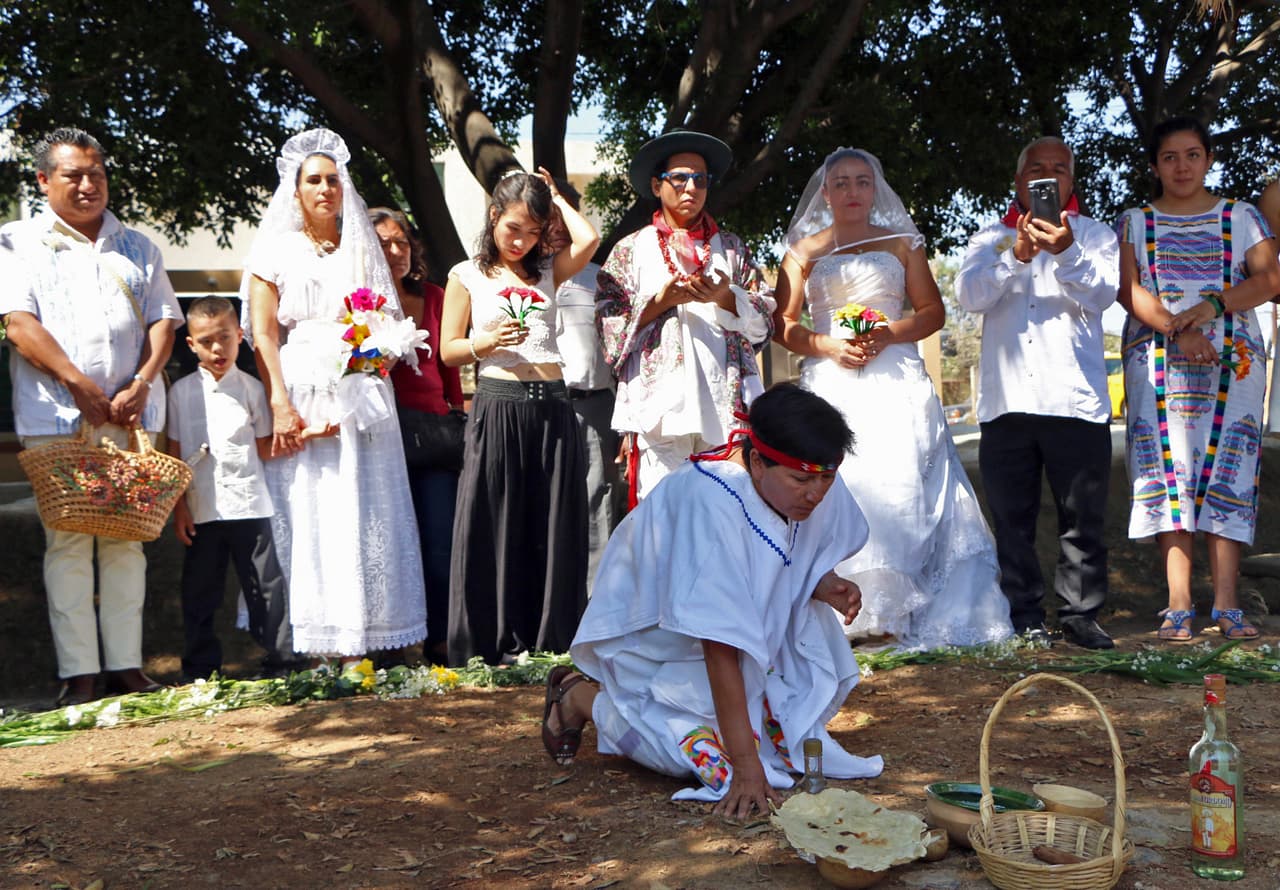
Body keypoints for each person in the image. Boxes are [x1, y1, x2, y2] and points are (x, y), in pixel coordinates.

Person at [540, 383, 884, 821]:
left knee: (784, 749)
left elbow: (794, 549)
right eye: (802, 480)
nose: (816, 494)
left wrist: (821, 579)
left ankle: (740, 730)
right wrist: (744, 768)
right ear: (757, 461)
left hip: (742, 644)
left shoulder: (805, 467)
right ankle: (578, 696)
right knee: (694, 759)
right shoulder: (710, 501)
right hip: (658, 649)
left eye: (826, 479)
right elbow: (717, 643)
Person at [773, 148, 1012, 650]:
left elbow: (932, 312)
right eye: (841, 183)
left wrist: (888, 334)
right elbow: (783, 326)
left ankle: (894, 613)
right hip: (831, 377)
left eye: (862, 182)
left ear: (875, 188)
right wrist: (828, 345)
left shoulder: (903, 243)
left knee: (899, 481)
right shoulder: (802, 251)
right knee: (845, 482)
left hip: (894, 372)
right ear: (825, 192)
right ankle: (840, 612)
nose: (852, 192)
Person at [0, 127, 181, 704]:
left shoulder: (138, 245)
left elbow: (163, 323)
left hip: (130, 417)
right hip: (56, 415)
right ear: (43, 180)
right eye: (73, 174)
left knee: (127, 541)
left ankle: (127, 667)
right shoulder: (16, 242)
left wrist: (141, 382)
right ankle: (78, 673)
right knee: (70, 542)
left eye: (96, 173)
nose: (87, 184)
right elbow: (18, 324)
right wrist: (77, 383)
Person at [241, 128, 426, 659]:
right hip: (301, 384)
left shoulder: (360, 248)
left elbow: (389, 317)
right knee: (309, 503)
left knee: (362, 504)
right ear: (295, 189)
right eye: (314, 180)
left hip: (361, 387)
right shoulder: (273, 251)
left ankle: (369, 635)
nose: (325, 188)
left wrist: (379, 357)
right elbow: (265, 333)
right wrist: (279, 401)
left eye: (333, 180)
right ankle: (307, 640)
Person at [1115, 117, 1280, 642]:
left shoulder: (1242, 216)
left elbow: (1271, 279)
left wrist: (1210, 307)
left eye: (1192, 155)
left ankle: (1228, 605)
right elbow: (1127, 290)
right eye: (1169, 157)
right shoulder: (1135, 222)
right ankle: (1178, 604)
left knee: (1228, 469)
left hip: (1234, 365)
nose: (1181, 166)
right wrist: (1175, 329)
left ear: (1208, 159)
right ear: (1154, 166)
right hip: (1158, 361)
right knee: (1169, 470)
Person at [956, 136, 1119, 650]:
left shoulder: (1094, 235)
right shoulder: (989, 237)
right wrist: (1017, 255)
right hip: (1007, 404)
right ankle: (1023, 616)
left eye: (1059, 169)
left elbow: (1104, 293)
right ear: (1018, 180)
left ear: (1071, 181)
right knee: (1012, 520)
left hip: (1074, 399)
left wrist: (1065, 251)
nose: (1047, 176)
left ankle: (1081, 615)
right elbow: (968, 296)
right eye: (1035, 168)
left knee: (1082, 518)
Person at [440, 168, 599, 665]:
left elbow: (590, 237)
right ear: (493, 218)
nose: (522, 241)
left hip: (552, 406)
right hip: (498, 404)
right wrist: (482, 344)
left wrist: (553, 197)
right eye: (514, 228)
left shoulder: (550, 269)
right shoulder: (466, 275)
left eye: (533, 231)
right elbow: (447, 350)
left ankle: (550, 639)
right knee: (496, 520)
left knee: (551, 522)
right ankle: (494, 640)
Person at [596, 129, 775, 502]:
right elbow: (608, 328)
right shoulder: (630, 250)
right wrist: (658, 302)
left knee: (725, 513)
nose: (690, 188)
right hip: (660, 410)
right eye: (679, 178)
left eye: (700, 179)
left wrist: (727, 297)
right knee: (663, 516)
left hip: (724, 404)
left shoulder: (731, 248)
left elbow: (765, 323)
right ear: (657, 185)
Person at [166, 297, 298, 680]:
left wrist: (310, 433)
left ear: (240, 336)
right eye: (206, 341)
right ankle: (200, 669)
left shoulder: (254, 390)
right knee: (199, 591)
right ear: (191, 345)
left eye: (224, 338)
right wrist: (180, 508)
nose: (217, 349)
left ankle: (282, 662)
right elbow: (175, 454)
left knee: (266, 587)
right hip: (202, 506)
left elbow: (263, 446)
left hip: (250, 503)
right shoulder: (180, 393)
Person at [371, 207, 465, 664]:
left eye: (402, 242)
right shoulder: (360, 302)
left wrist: (454, 413)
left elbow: (448, 370)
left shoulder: (434, 295)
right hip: (380, 437)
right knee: (386, 542)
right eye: (384, 243)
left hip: (434, 436)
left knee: (439, 541)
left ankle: (441, 640)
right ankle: (389, 647)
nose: (395, 251)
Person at [553, 185, 626, 594]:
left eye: (565, 213)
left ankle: (596, 604)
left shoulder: (602, 278)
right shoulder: (519, 276)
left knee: (598, 504)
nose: (557, 226)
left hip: (596, 403)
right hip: (540, 405)